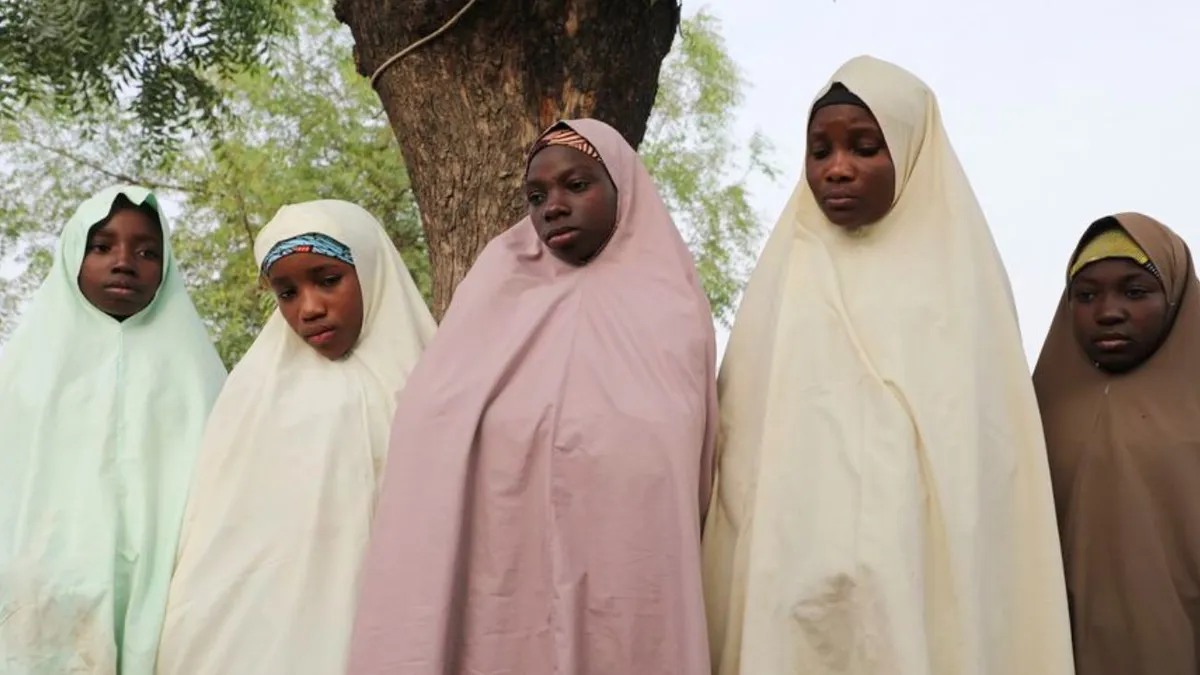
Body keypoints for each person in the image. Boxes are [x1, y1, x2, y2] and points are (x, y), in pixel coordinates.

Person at [701, 56, 1075, 674]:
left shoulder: (964, 289)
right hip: (790, 582)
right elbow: (742, 464)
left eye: (864, 147)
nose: (837, 168)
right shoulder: (782, 284)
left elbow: (985, 473)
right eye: (819, 151)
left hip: (918, 585)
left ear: (909, 149)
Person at [346, 119, 717, 675]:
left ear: (623, 187)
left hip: (630, 561)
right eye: (537, 196)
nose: (554, 207)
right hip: (506, 563)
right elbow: (432, 418)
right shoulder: (498, 289)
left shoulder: (671, 305)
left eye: (577, 185)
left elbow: (689, 448)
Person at [154, 200, 436, 675]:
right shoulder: (254, 396)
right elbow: (221, 553)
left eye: (328, 280)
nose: (309, 309)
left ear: (371, 270)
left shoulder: (433, 386)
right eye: (286, 293)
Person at [0, 185, 226, 674]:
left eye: (147, 252)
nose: (125, 263)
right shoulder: (20, 377)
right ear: (71, 256)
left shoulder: (199, 378)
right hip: (43, 603)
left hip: (170, 600)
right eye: (102, 247)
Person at [1034, 214, 1200, 675]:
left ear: (1175, 295)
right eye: (1086, 295)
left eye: (1135, 292)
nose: (1108, 312)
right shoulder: (1038, 412)